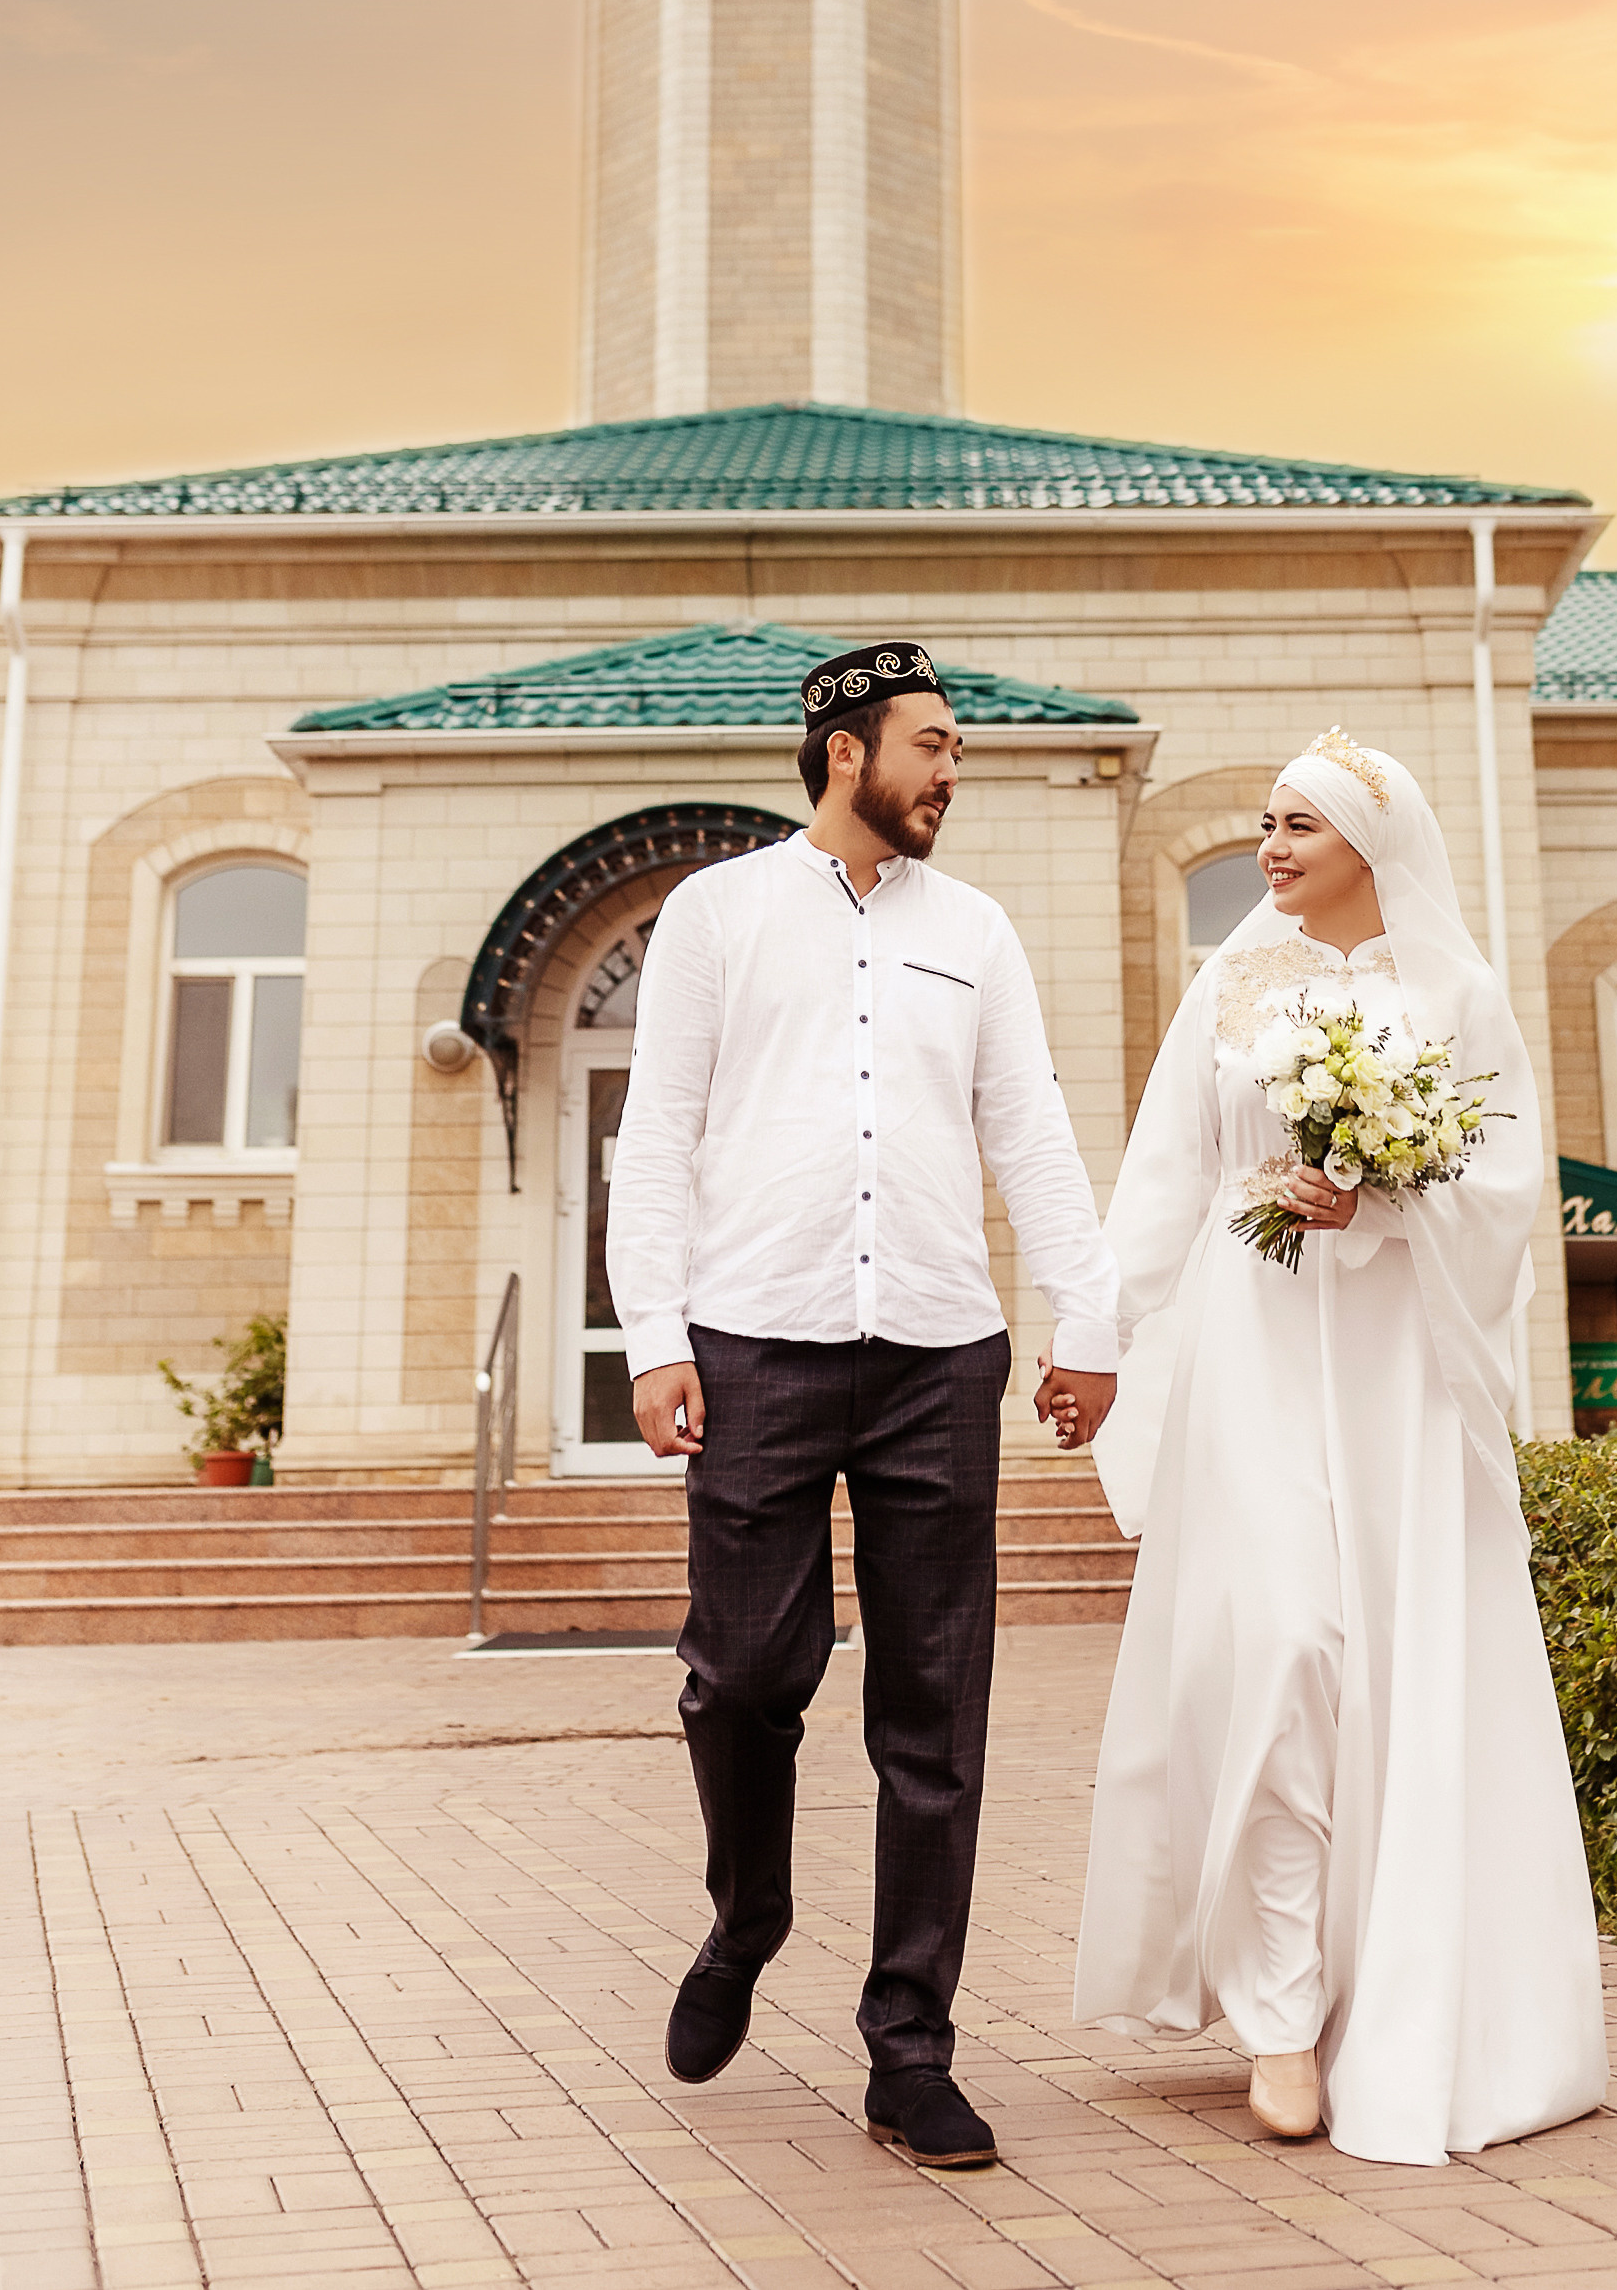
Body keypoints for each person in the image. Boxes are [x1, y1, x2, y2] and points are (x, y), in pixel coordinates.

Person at [608, 641, 1119, 2173]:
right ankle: (746, 1910)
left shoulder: (976, 929)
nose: (951, 770)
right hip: (753, 1344)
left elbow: (1026, 1130)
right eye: (933, 744)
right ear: (845, 752)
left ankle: (911, 2050)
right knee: (747, 1675)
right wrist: (652, 1335)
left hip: (936, 1355)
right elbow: (656, 1137)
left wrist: (1085, 1319)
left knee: (933, 1714)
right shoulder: (714, 914)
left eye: (955, 745)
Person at [1071, 728, 1607, 2162]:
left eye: (1298, 824)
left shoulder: (1459, 992)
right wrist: (1094, 1342)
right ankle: (1276, 2015)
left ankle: (1381, 1981)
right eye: (1265, 823)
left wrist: (1379, 1204)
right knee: (1284, 1644)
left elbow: (1501, 1195)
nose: (1270, 846)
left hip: (1391, 1375)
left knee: (1389, 1668)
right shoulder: (1231, 982)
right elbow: (1166, 1176)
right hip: (1256, 1355)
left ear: (1374, 838)